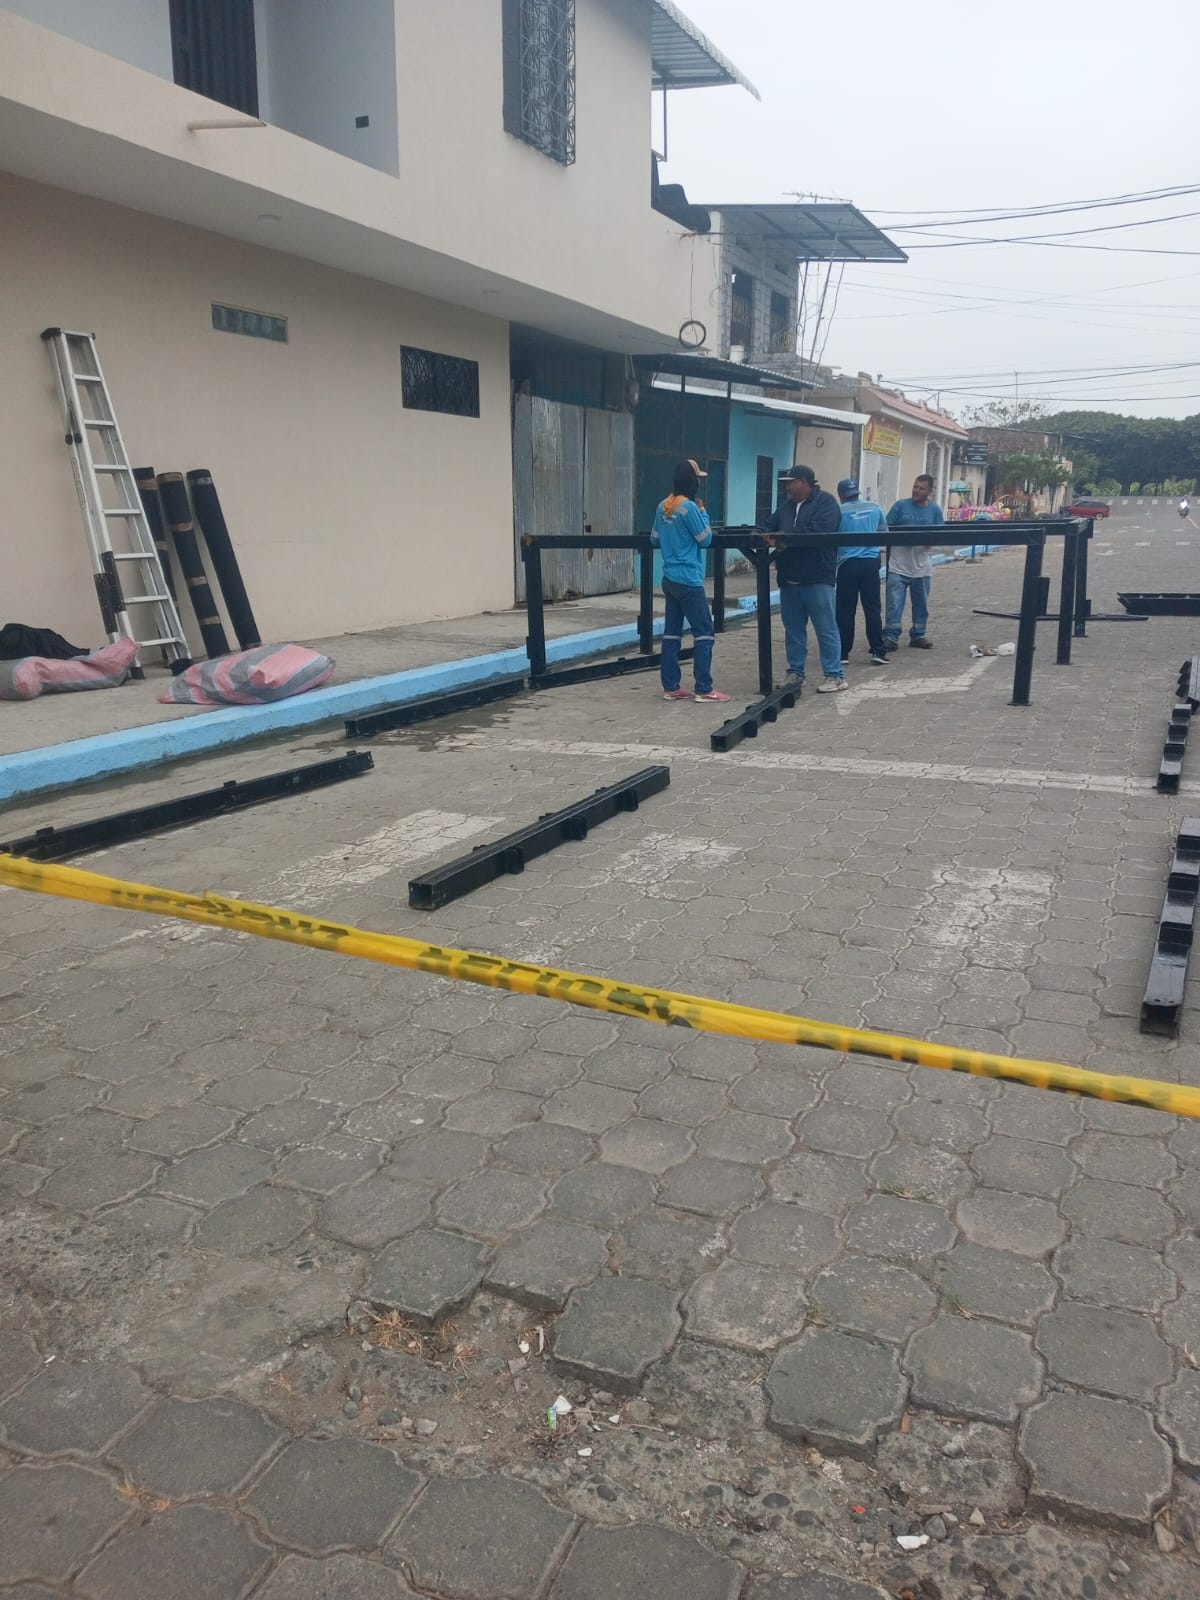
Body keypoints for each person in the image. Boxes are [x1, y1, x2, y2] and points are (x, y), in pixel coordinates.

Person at [649, 459, 731, 703]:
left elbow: (654, 539)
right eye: (698, 479)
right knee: (704, 633)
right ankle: (704, 689)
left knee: (671, 634)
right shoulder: (689, 508)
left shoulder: (663, 506)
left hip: (669, 579)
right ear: (692, 481)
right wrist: (703, 512)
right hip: (689, 580)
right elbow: (705, 539)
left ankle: (671, 687)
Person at [764, 465, 846, 693]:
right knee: (793, 630)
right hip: (790, 578)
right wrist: (761, 535)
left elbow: (818, 531)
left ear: (803, 481)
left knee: (825, 629)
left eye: (790, 482)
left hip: (817, 577)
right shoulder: (786, 507)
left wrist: (784, 537)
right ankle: (795, 673)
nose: (787, 488)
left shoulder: (826, 503)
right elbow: (768, 526)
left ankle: (835, 675)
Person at [884, 473, 944, 651]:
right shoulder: (900, 506)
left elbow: (941, 534)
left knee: (921, 604)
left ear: (929, 491)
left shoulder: (935, 510)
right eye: (915, 487)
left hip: (922, 567)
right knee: (894, 604)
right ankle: (891, 637)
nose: (916, 491)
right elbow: (885, 528)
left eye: (921, 488)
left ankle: (918, 635)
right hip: (898, 566)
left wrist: (932, 541)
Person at [834, 478, 889, 667]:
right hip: (870, 564)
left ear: (841, 495)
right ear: (857, 492)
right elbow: (884, 534)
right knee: (872, 609)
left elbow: (831, 538)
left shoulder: (838, 511)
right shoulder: (875, 508)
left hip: (847, 565)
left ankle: (843, 653)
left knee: (845, 611)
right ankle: (878, 651)